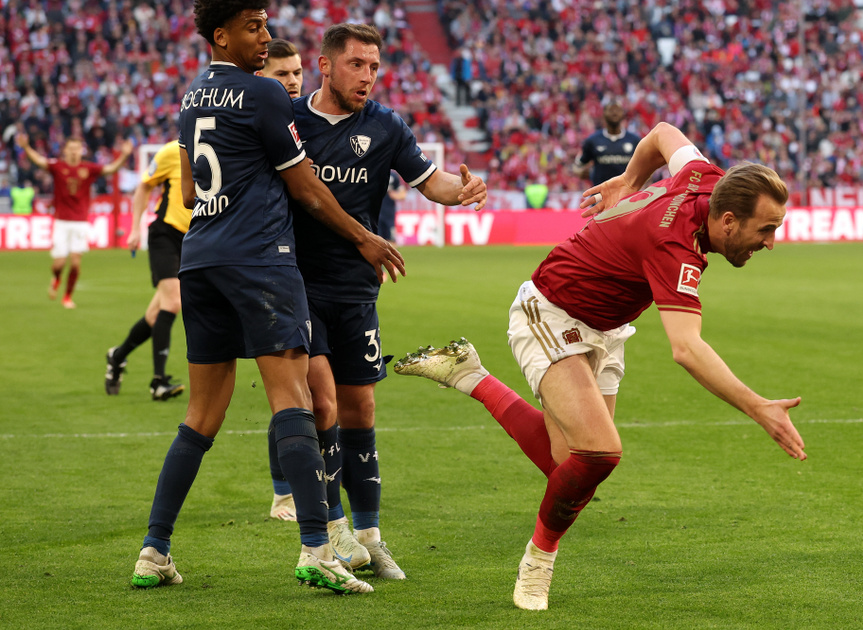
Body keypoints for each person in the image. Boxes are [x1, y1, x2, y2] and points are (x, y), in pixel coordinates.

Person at [395, 122, 806, 611]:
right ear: (730, 220)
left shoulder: (702, 176)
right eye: (767, 229)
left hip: (608, 325)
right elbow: (687, 348)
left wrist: (630, 180)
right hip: (552, 310)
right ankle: (537, 562)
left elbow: (661, 133)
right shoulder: (674, 246)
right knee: (601, 452)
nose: (771, 242)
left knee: (570, 468)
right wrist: (759, 408)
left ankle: (471, 376)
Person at [129, 0, 403, 595]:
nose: (266, 37)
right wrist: (366, 238)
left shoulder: (191, 95)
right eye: (254, 27)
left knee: (200, 418)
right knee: (294, 401)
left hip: (200, 258)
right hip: (259, 261)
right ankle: (316, 548)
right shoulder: (265, 95)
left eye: (266, 26)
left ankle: (154, 548)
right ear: (221, 35)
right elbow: (305, 188)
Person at [278, 22, 488, 580]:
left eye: (374, 66)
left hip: (356, 287)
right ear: (325, 66)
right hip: (296, 283)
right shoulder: (289, 121)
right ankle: (335, 531)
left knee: (360, 409)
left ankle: (370, 536)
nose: (368, 76)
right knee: (321, 404)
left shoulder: (386, 126)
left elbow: (430, 181)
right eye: (357, 65)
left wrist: (461, 191)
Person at [253, 37, 306, 522]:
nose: (292, 82)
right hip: (268, 264)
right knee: (288, 386)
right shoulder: (257, 122)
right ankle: (283, 493)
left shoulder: (305, 119)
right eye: (281, 75)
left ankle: (303, 492)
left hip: (312, 271)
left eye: (296, 73)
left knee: (309, 390)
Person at [104, 140, 189, 401]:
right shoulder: (171, 151)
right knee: (173, 302)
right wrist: (134, 228)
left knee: (156, 314)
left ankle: (117, 357)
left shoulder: (221, 147)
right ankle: (158, 382)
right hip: (165, 234)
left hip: (194, 239)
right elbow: (143, 186)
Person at [16, 133, 132, 309]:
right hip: (61, 222)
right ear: (65, 151)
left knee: (76, 263)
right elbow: (39, 161)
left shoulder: (89, 168)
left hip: (80, 222)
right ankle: (56, 278)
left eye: (76, 148)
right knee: (58, 264)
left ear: (81, 151)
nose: (73, 152)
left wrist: (124, 155)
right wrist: (25, 147)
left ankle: (67, 297)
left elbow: (111, 169)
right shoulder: (57, 166)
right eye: (70, 148)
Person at [574, 100, 641, 187]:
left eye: (617, 110)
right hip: (600, 197)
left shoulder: (635, 140)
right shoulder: (592, 141)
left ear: (623, 114)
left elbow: (646, 168)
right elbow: (578, 165)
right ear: (604, 114)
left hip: (627, 197)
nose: (614, 112)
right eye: (611, 110)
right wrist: (579, 172)